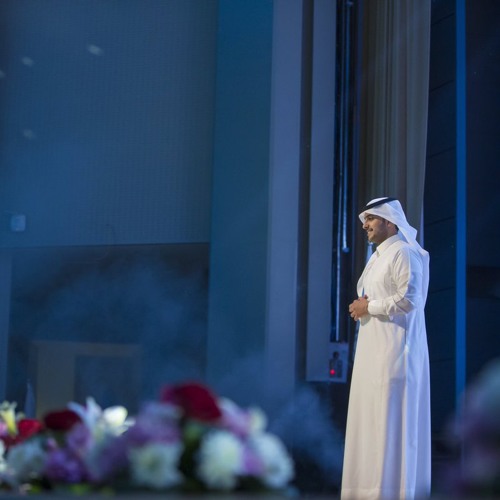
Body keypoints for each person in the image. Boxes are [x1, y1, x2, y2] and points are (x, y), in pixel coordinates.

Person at [341, 197, 431, 500]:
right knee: (370, 423)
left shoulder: (403, 252)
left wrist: (369, 306)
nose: (364, 225)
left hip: (394, 355)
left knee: (390, 423)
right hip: (372, 353)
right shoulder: (377, 256)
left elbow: (410, 299)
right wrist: (365, 306)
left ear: (390, 222)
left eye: (370, 218)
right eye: (364, 219)